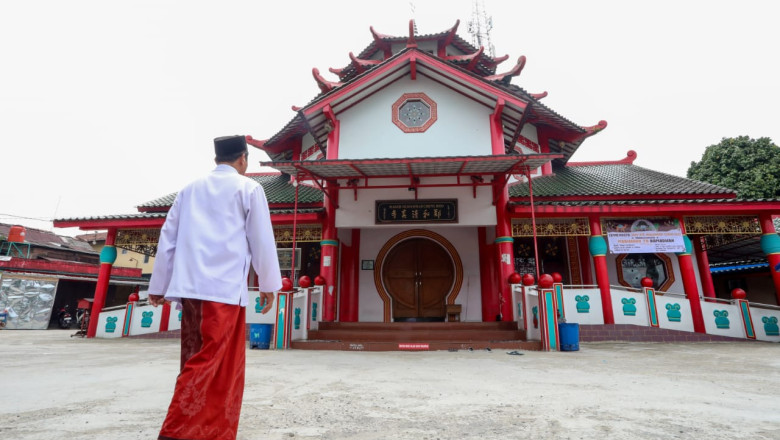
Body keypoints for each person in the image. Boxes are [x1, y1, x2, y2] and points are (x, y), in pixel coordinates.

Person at [148, 135, 282, 440]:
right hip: (223, 291)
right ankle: (175, 431)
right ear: (244, 159)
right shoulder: (249, 188)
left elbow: (167, 239)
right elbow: (261, 239)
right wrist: (268, 284)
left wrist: (158, 285)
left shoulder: (189, 190)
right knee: (214, 363)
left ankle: (209, 431)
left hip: (190, 290)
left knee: (196, 356)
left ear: (216, 160)